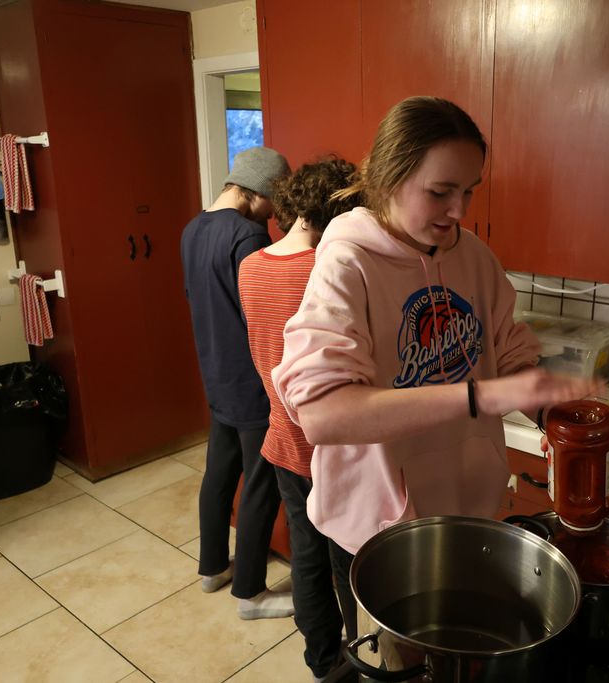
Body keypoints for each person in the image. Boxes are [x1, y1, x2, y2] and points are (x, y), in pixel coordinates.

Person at [272, 97, 609, 594]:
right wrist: (479, 395)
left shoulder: (474, 257)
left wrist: (571, 424)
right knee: (397, 667)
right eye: (440, 192)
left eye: (469, 191)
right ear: (389, 178)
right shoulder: (348, 265)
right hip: (381, 529)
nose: (459, 211)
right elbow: (323, 416)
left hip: (470, 510)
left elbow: (512, 357)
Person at [238, 158, 362, 683]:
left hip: (284, 438)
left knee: (308, 557)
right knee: (350, 562)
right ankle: (362, 653)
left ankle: (324, 662)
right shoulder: (329, 269)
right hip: (337, 445)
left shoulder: (251, 265)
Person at [180, 146, 294, 620]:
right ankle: (250, 593)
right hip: (251, 382)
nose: (275, 215)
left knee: (220, 474)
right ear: (254, 194)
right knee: (259, 486)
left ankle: (213, 568)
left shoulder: (192, 229)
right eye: (274, 202)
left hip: (215, 372)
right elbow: (262, 317)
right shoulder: (247, 236)